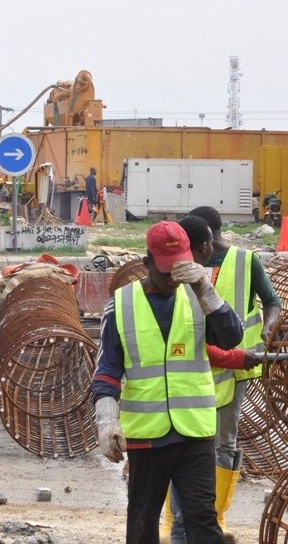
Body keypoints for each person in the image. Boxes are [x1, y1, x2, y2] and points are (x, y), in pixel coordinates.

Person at [92, 220, 243, 544]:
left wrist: (207, 290)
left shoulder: (199, 296)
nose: (173, 278)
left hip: (195, 434)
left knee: (204, 520)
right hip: (147, 437)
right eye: (165, 271)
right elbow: (106, 372)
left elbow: (231, 337)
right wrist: (107, 423)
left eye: (179, 269)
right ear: (146, 263)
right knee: (143, 523)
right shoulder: (120, 306)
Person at [162, 205, 282, 544]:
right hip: (193, 367)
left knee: (223, 444)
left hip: (236, 367)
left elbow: (271, 301)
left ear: (207, 240)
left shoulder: (245, 261)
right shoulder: (180, 269)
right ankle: (178, 522)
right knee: (187, 443)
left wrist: (267, 332)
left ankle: (214, 518)